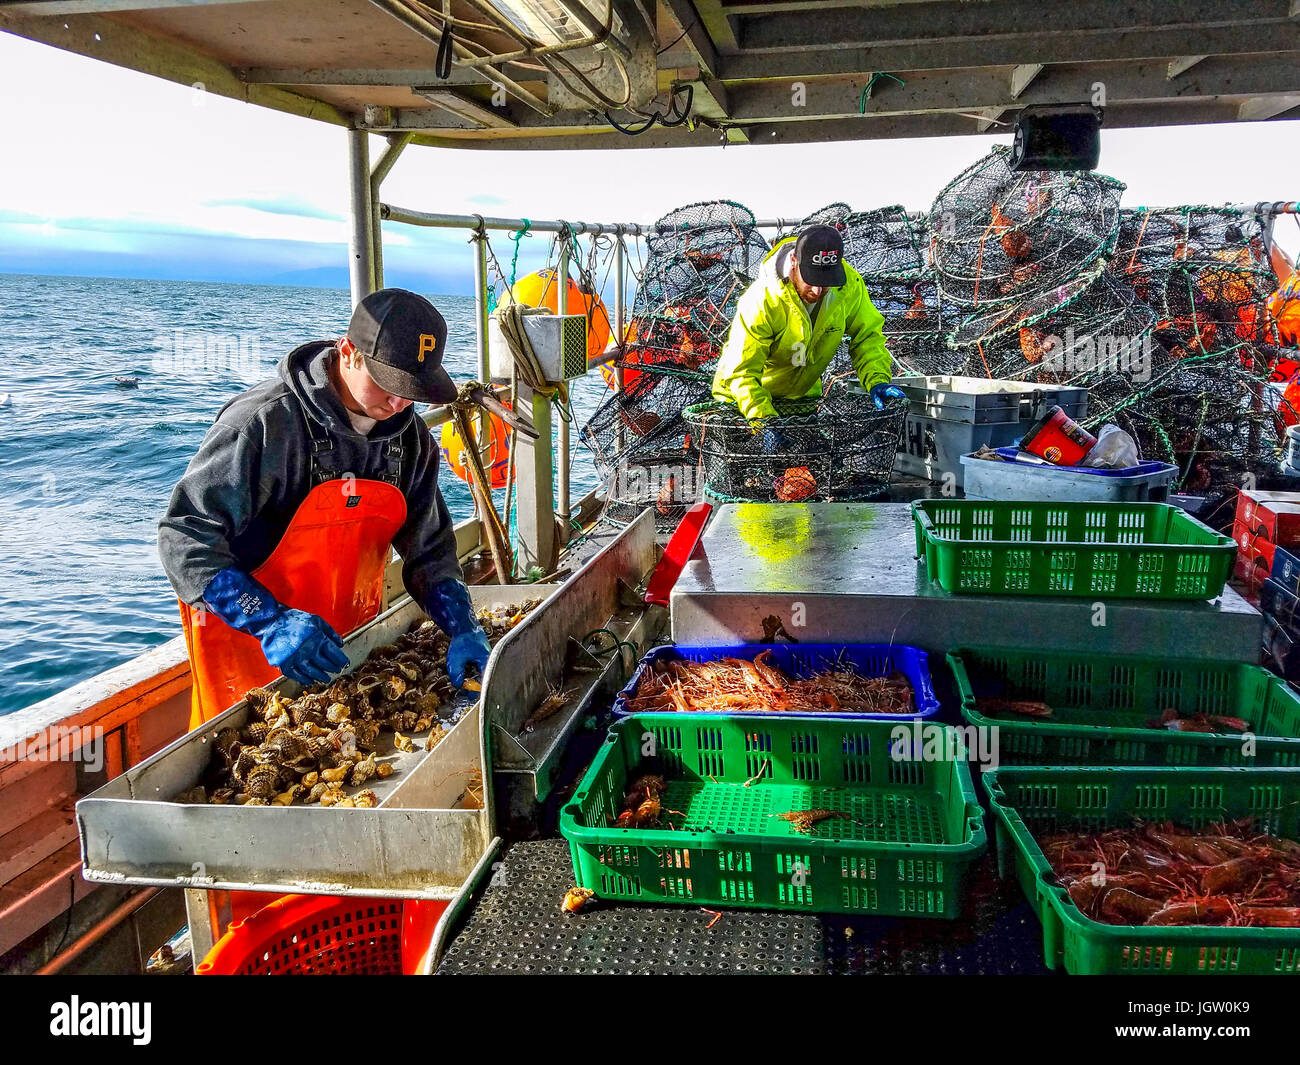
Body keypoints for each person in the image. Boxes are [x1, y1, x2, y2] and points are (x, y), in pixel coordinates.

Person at [159, 288, 492, 729]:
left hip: (348, 646)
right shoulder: (263, 423)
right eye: (389, 384)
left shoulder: (411, 442)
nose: (397, 403)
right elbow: (184, 537)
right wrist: (269, 621)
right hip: (251, 649)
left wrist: (462, 625)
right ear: (348, 352)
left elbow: (430, 552)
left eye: (410, 391)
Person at [711, 224, 906, 450]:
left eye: (826, 283)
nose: (817, 291)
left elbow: (867, 336)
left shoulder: (848, 287)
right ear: (794, 261)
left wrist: (877, 380)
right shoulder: (761, 300)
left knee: (809, 476)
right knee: (754, 480)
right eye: (811, 280)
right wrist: (764, 421)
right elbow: (742, 373)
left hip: (800, 403)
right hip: (742, 403)